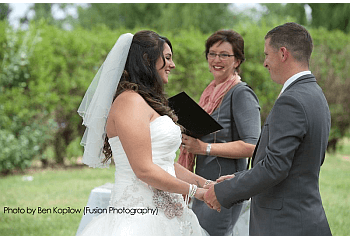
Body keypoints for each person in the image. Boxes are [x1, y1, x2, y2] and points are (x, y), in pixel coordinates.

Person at [77, 30, 210, 236]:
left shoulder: (145, 101)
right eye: (167, 58)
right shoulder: (129, 102)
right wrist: (196, 192)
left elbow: (162, 162)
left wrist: (205, 183)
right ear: (147, 60)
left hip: (169, 213)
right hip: (139, 218)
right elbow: (144, 170)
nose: (172, 65)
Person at [204, 22, 332, 236]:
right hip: (304, 218)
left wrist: (223, 191)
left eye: (266, 55)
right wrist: (238, 179)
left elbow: (274, 167)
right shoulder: (315, 94)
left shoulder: (292, 100)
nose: (264, 63)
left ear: (283, 53)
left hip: (284, 225)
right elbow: (294, 164)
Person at [178, 29, 261, 236]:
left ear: (237, 61)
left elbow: (253, 146)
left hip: (224, 188)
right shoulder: (210, 93)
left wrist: (203, 147)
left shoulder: (240, 93)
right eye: (212, 54)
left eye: (224, 55)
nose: (217, 59)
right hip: (201, 183)